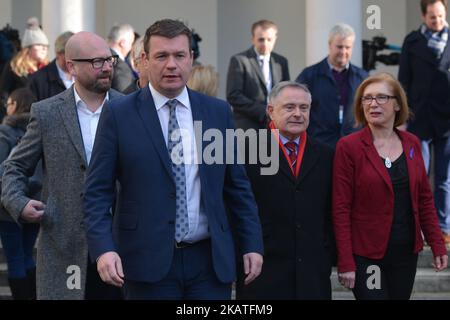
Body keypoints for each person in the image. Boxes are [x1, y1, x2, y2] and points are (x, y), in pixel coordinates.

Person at [83, 19, 264, 300]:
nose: (171, 64)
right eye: (161, 56)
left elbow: (237, 186)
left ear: (191, 58)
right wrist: (104, 249)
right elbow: (97, 192)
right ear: (144, 60)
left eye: (179, 55)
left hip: (209, 263)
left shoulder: (217, 113)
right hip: (145, 261)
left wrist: (252, 243)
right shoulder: (119, 114)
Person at [1, 31, 123, 300]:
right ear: (71, 67)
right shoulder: (47, 113)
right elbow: (13, 167)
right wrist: (19, 203)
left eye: (109, 59)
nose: (105, 67)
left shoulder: (130, 108)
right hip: (63, 250)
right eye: (96, 61)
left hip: (121, 250)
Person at [333, 73, 448, 300]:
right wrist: (345, 259)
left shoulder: (412, 144)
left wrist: (437, 244)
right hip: (367, 255)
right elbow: (340, 207)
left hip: (405, 253)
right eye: (367, 99)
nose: (373, 104)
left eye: (381, 97)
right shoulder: (349, 147)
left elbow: (424, 199)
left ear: (397, 104)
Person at [236, 81, 334, 300]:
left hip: (312, 272)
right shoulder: (246, 150)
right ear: (271, 111)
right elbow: (237, 206)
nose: (298, 114)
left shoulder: (327, 155)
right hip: (262, 269)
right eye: (289, 107)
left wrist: (327, 253)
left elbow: (331, 210)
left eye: (304, 108)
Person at [398, 0, 450, 244]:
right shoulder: (412, 41)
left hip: (447, 121)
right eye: (432, 17)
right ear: (423, 15)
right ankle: (418, 226)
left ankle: (443, 227)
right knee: (419, 173)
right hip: (419, 118)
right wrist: (402, 117)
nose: (437, 22)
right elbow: (403, 81)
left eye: (440, 16)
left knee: (444, 177)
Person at [296, 23, 368, 148]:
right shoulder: (309, 75)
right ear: (330, 45)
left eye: (348, 47)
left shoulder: (362, 77)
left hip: (354, 146)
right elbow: (297, 108)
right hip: (318, 145)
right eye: (339, 47)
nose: (343, 52)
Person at [0, 88, 40, 300]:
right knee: (26, 256)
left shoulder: (5, 132)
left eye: (8, 103)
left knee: (15, 258)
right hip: (35, 199)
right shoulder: (40, 127)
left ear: (15, 105)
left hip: (8, 206)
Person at [226, 19, 290, 130]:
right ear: (253, 39)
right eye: (261, 39)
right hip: (248, 127)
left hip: (277, 127)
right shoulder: (239, 60)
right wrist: (263, 111)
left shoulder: (281, 62)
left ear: (275, 39)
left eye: (269, 39)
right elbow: (234, 95)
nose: (265, 44)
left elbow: (286, 92)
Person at [0, 17, 48, 121]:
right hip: (18, 120)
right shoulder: (13, 66)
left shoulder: (48, 69)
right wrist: (10, 115)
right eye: (39, 45)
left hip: (42, 119)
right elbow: (3, 94)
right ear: (28, 48)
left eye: (46, 45)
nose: (44, 49)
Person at [28, 31, 74, 101]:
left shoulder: (84, 75)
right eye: (72, 54)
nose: (76, 58)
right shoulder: (38, 80)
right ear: (58, 53)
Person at [107, 24, 136, 93]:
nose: (131, 48)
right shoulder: (121, 67)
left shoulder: (98, 59)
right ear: (123, 43)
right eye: (131, 43)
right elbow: (125, 97)